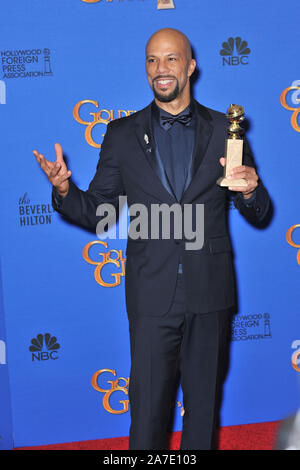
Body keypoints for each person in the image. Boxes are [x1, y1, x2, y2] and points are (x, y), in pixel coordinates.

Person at [33, 28, 270, 450]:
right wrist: (66, 192)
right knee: (146, 412)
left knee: (203, 408)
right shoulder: (121, 134)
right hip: (150, 293)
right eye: (152, 60)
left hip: (209, 290)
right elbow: (99, 213)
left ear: (191, 66)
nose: (161, 69)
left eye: (171, 59)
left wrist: (251, 190)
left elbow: (260, 212)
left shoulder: (224, 130)